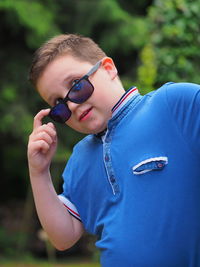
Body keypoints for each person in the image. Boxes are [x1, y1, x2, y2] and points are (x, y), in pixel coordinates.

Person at [27, 34, 200, 267]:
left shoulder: (174, 105)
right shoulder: (80, 159)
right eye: (59, 105)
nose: (72, 105)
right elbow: (63, 237)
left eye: (76, 85)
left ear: (108, 68)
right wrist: (38, 172)